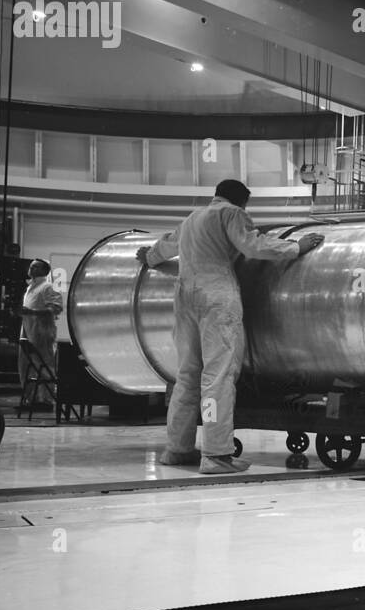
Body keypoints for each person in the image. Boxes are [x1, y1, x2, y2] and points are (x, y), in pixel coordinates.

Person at [137, 179, 323, 475]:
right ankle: (216, 455)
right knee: (218, 377)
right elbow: (253, 246)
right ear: (242, 200)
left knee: (187, 376)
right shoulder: (232, 213)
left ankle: (177, 449)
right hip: (216, 298)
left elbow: (165, 247)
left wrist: (148, 257)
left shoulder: (192, 218)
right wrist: (295, 247)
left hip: (184, 300)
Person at [17, 259, 63, 407]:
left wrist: (32, 312)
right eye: (31, 266)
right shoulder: (30, 288)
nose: (31, 268)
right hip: (28, 330)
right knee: (26, 365)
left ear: (44, 271)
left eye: (36, 266)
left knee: (43, 365)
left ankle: (45, 400)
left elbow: (55, 308)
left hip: (41, 333)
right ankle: (31, 398)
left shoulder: (48, 287)